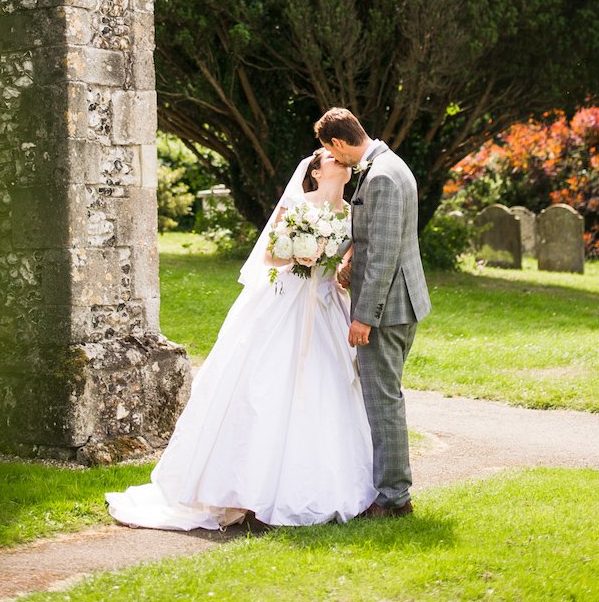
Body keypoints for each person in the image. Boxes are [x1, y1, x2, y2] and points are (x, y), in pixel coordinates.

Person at [106, 148, 376, 529]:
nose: (340, 161)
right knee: (263, 387)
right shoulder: (298, 204)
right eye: (329, 156)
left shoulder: (350, 215)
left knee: (327, 388)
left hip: (328, 306)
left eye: (340, 156)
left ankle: (322, 484)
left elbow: (345, 266)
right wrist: (300, 256)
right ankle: (244, 490)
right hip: (285, 304)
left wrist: (341, 271)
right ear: (315, 171)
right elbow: (269, 257)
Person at [315, 107, 431, 518]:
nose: (333, 157)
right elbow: (378, 240)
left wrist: (364, 316)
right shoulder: (389, 165)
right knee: (386, 397)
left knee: (383, 401)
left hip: (388, 308)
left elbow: (383, 255)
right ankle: (392, 491)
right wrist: (350, 264)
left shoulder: (380, 177)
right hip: (402, 300)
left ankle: (394, 499)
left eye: (330, 150)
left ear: (340, 144)